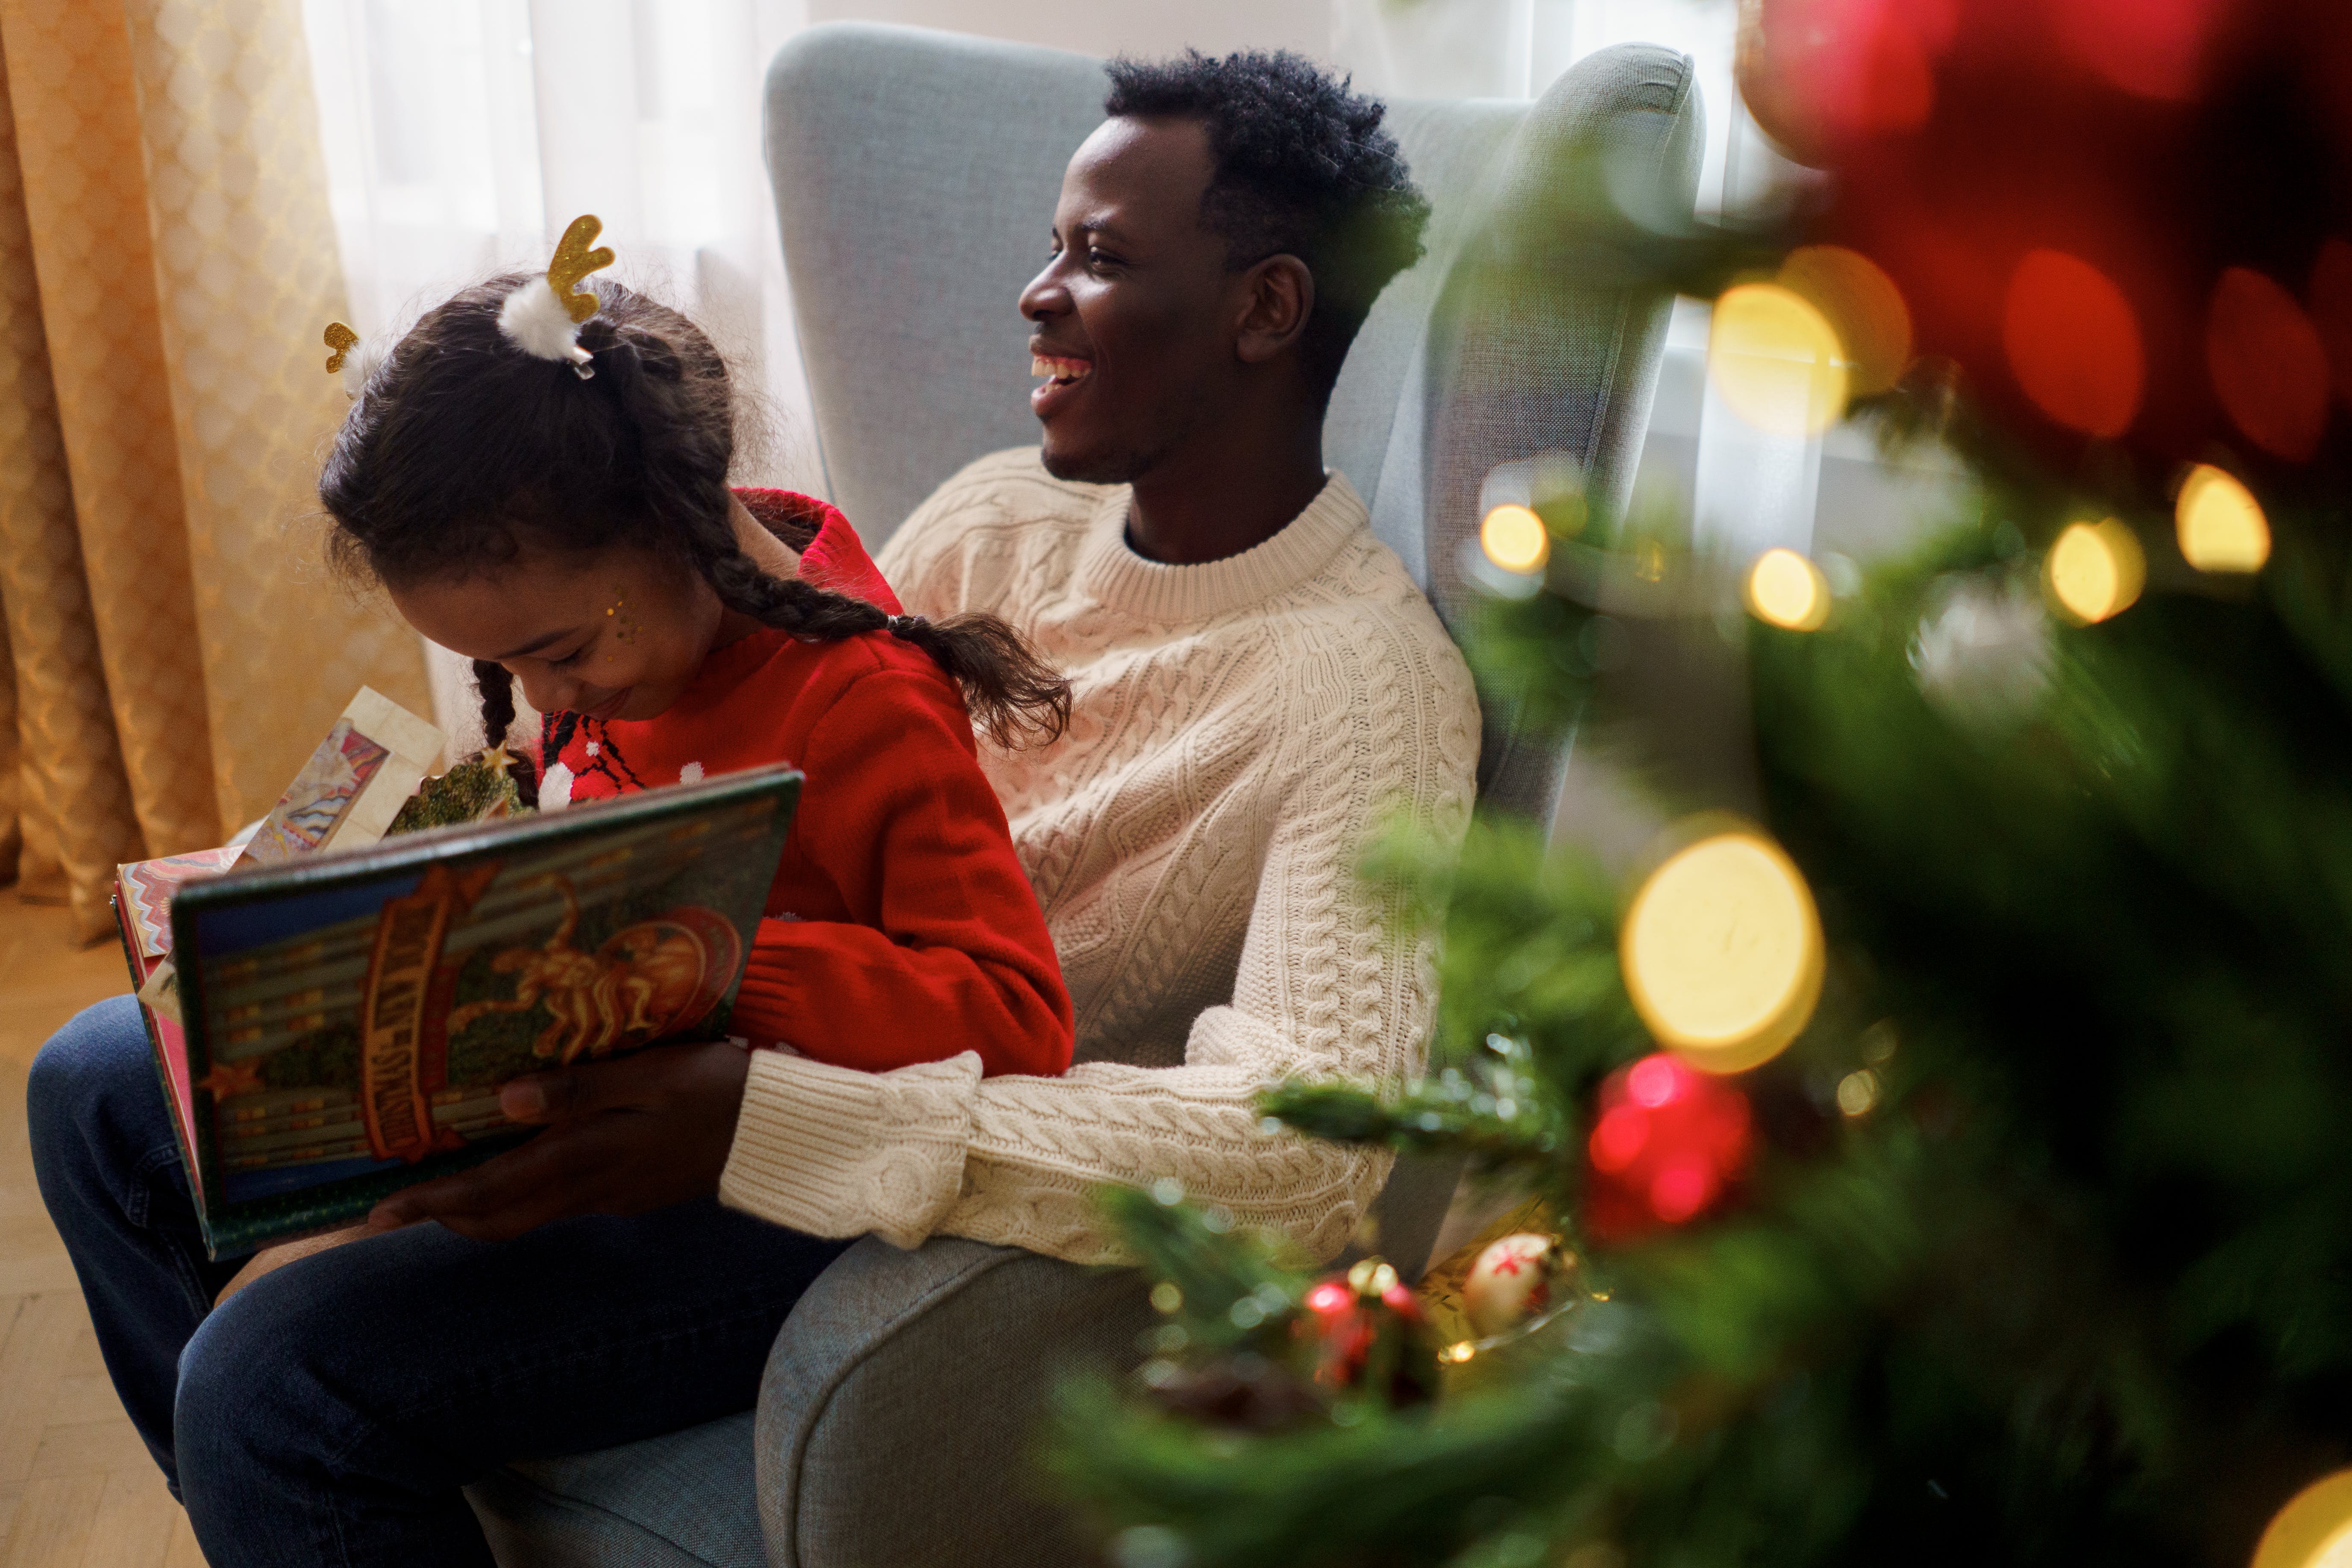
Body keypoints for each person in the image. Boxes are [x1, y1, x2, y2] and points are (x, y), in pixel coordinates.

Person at [28, 263, 1075, 1563]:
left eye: (559, 657)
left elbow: (1021, 1020)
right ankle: (287, 1523)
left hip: (761, 1200)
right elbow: (584, 791)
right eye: (502, 665)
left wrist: (712, 954)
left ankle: (289, 1468)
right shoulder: (634, 631)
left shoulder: (862, 704)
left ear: (678, 527)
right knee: (91, 1084)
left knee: (266, 1381)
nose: (539, 688)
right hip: (568, 1088)